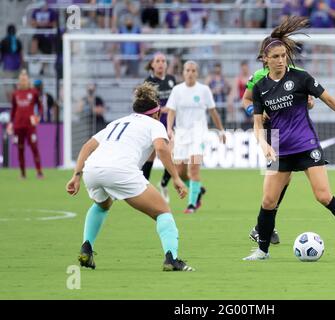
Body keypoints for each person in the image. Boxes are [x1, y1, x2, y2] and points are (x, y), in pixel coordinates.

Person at [242, 17, 335, 261]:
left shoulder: (301, 77)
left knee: (323, 196)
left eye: (283, 55)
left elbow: (330, 100)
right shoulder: (260, 86)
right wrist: (263, 143)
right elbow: (257, 122)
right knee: (268, 201)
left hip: (306, 146)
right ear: (265, 59)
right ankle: (262, 250)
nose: (281, 60)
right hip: (279, 150)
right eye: (276, 57)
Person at [65, 82, 194, 272]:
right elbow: (160, 148)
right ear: (156, 113)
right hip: (120, 170)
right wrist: (175, 177)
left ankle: (86, 248)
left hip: (92, 170)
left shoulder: (117, 122)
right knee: (163, 212)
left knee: (103, 205)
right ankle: (171, 259)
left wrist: (76, 176)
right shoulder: (155, 124)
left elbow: (87, 147)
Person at [241, 62, 315, 246]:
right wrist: (256, 111)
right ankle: (262, 227)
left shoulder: (294, 73)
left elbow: (307, 102)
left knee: (285, 180)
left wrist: (309, 102)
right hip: (270, 134)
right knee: (274, 179)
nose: (281, 58)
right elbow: (246, 100)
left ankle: (263, 226)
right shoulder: (259, 76)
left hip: (290, 134)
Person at [166, 60, 226, 214]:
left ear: (197, 73)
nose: (190, 73)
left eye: (193, 70)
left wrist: (221, 131)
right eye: (188, 70)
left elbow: (213, 112)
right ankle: (197, 190)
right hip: (181, 134)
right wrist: (169, 130)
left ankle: (192, 205)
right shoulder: (177, 90)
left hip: (199, 134)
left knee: (193, 168)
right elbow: (171, 111)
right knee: (180, 172)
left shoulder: (204, 90)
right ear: (183, 72)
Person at [143, 52, 177, 202]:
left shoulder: (171, 80)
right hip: (154, 123)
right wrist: (162, 109)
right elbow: (145, 104)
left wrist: (172, 109)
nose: (161, 63)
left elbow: (176, 100)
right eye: (158, 61)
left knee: (172, 156)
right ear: (152, 64)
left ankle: (163, 184)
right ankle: (143, 187)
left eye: (163, 61)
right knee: (150, 155)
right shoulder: (148, 82)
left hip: (170, 123)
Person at [7, 69, 44, 179]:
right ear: (19, 81)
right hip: (18, 126)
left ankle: (39, 172)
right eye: (21, 79)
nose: (23, 81)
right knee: (20, 149)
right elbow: (13, 109)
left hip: (30, 126)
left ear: (28, 81)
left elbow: (40, 106)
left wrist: (38, 116)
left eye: (25, 79)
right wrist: (10, 122)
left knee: (34, 148)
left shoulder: (33, 93)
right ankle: (23, 174)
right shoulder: (15, 94)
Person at [0, 25, 23, 103]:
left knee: (9, 88)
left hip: (7, 68)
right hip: (17, 67)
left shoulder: (3, 41)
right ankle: (16, 105)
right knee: (17, 88)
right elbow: (21, 56)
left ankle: (12, 106)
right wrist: (22, 67)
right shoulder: (18, 41)